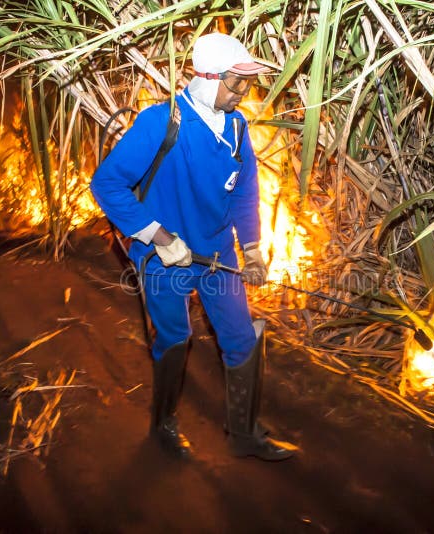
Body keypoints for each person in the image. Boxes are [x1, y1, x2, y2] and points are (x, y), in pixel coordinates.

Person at [90, 32, 296, 461]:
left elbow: (243, 193)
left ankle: (244, 434)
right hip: (166, 261)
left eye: (247, 83)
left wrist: (253, 250)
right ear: (206, 78)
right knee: (175, 337)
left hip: (217, 256)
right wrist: (160, 238)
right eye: (236, 82)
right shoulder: (162, 123)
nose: (243, 92)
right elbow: (106, 184)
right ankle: (163, 424)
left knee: (241, 336)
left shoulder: (238, 129)